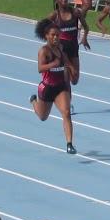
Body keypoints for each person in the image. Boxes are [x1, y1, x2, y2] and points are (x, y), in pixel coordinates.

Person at [29, 19, 77, 154]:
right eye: (53, 35)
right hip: (47, 88)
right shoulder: (43, 51)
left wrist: (71, 67)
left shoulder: (60, 47)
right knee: (43, 117)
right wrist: (52, 65)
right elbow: (40, 68)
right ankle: (33, 101)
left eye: (57, 35)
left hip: (60, 87)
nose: (56, 37)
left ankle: (69, 144)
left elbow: (65, 59)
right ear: (46, 36)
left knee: (66, 113)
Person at [48, 0, 90, 87]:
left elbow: (86, 27)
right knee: (67, 76)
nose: (64, 0)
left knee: (75, 80)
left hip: (74, 47)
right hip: (62, 49)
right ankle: (66, 100)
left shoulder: (75, 12)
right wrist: (52, 43)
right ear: (56, 1)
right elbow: (43, 28)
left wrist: (84, 38)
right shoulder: (54, 15)